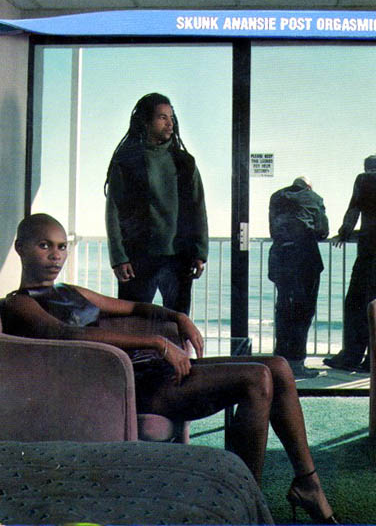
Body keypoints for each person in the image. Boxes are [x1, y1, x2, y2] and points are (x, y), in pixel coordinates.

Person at [2, 213, 337, 524]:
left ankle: (308, 483)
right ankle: (243, 503)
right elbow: (68, 334)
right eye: (44, 245)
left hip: (153, 372)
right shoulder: (18, 303)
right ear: (20, 248)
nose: (55, 256)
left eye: (61, 247)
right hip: (127, 386)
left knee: (278, 366)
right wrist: (157, 343)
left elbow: (133, 307)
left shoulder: (70, 292)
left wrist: (177, 316)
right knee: (256, 378)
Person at [105, 92, 207, 315]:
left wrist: (200, 252)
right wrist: (118, 258)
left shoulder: (185, 162)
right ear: (146, 122)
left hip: (179, 257)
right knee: (134, 324)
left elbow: (198, 208)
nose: (170, 123)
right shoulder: (126, 162)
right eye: (162, 117)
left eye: (171, 117)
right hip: (138, 258)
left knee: (178, 323)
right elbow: (113, 211)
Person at [324, 154, 376, 373]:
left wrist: (344, 233)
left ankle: (350, 358)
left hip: (372, 252)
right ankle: (373, 361)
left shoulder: (364, 179)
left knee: (355, 304)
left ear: (367, 168)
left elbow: (354, 208)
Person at [268, 177, 329, 379]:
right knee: (303, 311)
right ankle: (296, 362)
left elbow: (273, 229)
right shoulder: (314, 198)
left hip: (279, 257)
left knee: (283, 308)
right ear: (309, 186)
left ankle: (280, 359)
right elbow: (323, 231)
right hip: (305, 259)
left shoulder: (276, 197)